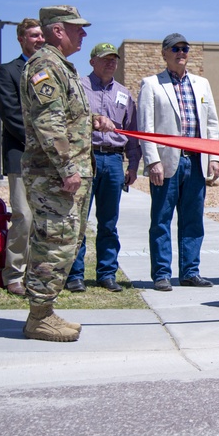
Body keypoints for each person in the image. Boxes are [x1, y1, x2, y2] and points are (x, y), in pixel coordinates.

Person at [20, 5, 115, 342]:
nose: (83, 34)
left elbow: (66, 116)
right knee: (53, 243)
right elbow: (48, 123)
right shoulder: (44, 66)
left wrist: (93, 120)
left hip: (65, 174)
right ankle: (39, 317)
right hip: (54, 175)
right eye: (78, 29)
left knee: (65, 242)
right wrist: (67, 168)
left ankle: (45, 310)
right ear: (58, 30)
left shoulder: (61, 66)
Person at [137, 33, 219, 291]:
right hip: (167, 164)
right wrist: (153, 161)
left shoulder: (201, 84)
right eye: (175, 48)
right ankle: (162, 273)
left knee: (193, 220)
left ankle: (190, 271)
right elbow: (146, 127)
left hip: (196, 162)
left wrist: (215, 157)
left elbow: (211, 123)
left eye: (185, 48)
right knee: (161, 219)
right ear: (164, 53)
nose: (181, 52)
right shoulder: (152, 84)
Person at [64, 42, 142, 294]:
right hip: (86, 158)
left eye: (114, 59)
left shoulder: (123, 93)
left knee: (109, 222)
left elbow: (132, 132)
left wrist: (133, 164)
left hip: (114, 161)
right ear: (92, 62)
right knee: (79, 221)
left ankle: (107, 273)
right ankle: (74, 275)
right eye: (105, 58)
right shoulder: (79, 88)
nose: (111, 63)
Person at [0, 18, 44, 296]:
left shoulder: (50, 69)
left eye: (41, 35)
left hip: (50, 158)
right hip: (22, 154)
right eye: (34, 35)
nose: (40, 40)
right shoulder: (7, 72)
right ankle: (13, 274)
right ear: (21, 39)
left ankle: (39, 274)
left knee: (44, 219)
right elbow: (11, 114)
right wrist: (42, 141)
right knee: (23, 215)